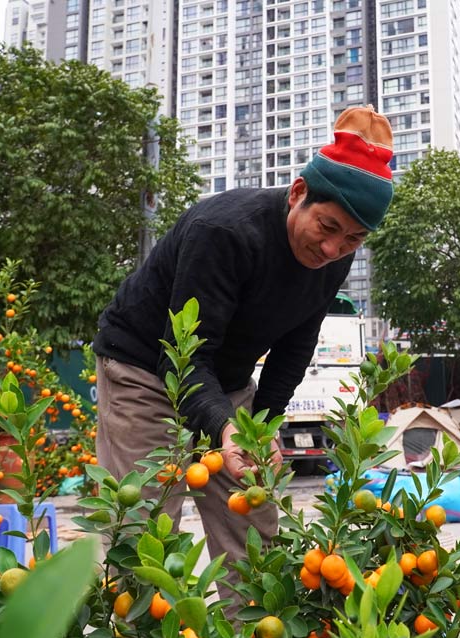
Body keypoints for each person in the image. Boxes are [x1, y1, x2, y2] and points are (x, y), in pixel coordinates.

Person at [91, 105, 394, 598]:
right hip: (146, 369)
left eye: (354, 238)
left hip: (225, 381)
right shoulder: (227, 233)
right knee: (145, 527)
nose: (334, 249)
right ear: (298, 193)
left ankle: (254, 629)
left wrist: (258, 432)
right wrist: (227, 428)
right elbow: (184, 357)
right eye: (327, 227)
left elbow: (293, 352)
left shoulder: (336, 259)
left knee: (253, 522)